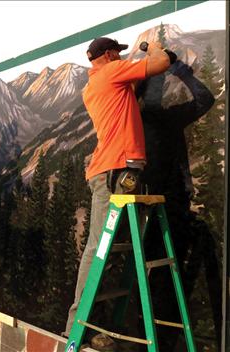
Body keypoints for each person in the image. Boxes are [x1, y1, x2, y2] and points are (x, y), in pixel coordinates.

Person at [64, 37, 170, 341]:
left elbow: (131, 89)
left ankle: (97, 325)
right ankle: (75, 329)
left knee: (108, 252)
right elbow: (163, 63)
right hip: (116, 170)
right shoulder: (112, 73)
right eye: (118, 54)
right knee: (98, 249)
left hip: (117, 171)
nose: (120, 58)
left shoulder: (97, 84)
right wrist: (156, 49)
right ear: (110, 55)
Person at [138, 60, 218, 350]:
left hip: (147, 208)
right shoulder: (168, 118)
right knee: (168, 279)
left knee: (154, 281)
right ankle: (164, 339)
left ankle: (155, 338)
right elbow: (206, 99)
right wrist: (181, 71)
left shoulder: (139, 119)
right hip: (170, 206)